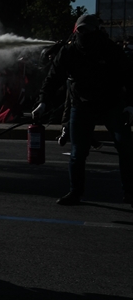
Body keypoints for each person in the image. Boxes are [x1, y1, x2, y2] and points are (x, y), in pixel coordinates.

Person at [32, 14, 133, 206]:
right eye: (81, 30)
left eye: (89, 30)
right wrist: (43, 102)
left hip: (112, 104)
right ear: (76, 31)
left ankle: (130, 192)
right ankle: (75, 192)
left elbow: (130, 78)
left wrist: (130, 104)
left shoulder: (111, 50)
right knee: (78, 153)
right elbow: (53, 79)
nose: (85, 34)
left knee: (126, 148)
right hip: (82, 105)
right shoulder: (69, 52)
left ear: (97, 30)